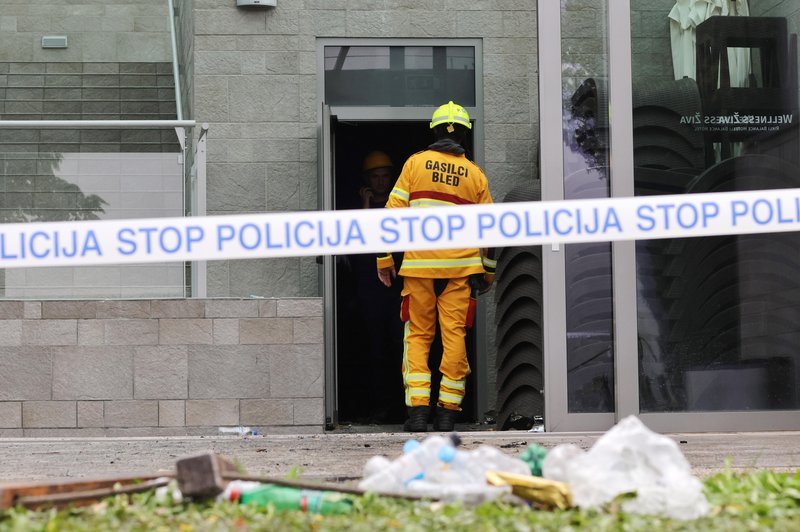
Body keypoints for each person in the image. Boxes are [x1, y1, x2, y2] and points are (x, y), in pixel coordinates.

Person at [375, 101, 496, 432]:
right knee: (454, 338)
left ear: (434, 132)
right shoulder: (476, 175)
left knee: (418, 337)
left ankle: (418, 414)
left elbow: (391, 214)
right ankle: (447, 414)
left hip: (419, 270)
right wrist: (488, 272)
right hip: (460, 273)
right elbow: (490, 228)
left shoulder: (415, 164)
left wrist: (385, 258)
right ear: (465, 137)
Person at [350, 151, 405, 423]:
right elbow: (359, 251)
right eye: (376, 177)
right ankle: (379, 406)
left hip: (396, 292)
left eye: (386, 176)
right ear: (367, 180)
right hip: (370, 294)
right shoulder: (362, 208)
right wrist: (365, 207)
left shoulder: (399, 206)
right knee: (375, 351)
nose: (381, 182)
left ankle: (404, 406)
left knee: (401, 348)